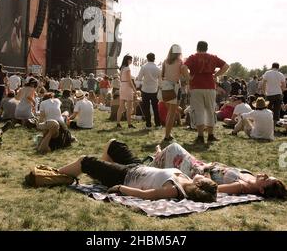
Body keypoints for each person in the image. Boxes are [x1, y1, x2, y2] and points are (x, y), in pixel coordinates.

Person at [57, 139, 218, 202]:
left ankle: (54, 175)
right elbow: (207, 179)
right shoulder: (189, 179)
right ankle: (102, 173)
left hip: (124, 176)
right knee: (115, 144)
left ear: (199, 186)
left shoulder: (174, 190)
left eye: (204, 178)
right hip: (138, 167)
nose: (203, 176)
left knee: (85, 161)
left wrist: (120, 188)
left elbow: (146, 195)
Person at [151, 142, 286, 199]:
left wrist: (205, 172)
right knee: (173, 150)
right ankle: (159, 156)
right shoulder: (251, 178)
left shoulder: (241, 186)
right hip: (202, 165)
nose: (264, 175)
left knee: (174, 148)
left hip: (196, 172)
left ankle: (156, 158)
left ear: (262, 190)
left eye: (266, 179)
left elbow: (213, 188)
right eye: (268, 175)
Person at [184, 41, 229, 144]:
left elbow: (183, 67)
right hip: (210, 86)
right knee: (210, 110)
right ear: (206, 48)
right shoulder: (212, 57)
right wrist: (216, 75)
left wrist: (188, 79)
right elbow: (226, 66)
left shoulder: (193, 57)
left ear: (197, 48)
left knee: (198, 111)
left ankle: (200, 136)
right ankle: (210, 135)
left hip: (196, 87)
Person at [160, 45, 188, 142]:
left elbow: (162, 76)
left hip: (165, 88)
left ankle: (168, 134)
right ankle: (167, 135)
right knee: (172, 113)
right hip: (174, 88)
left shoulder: (165, 62)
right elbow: (185, 75)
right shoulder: (180, 62)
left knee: (170, 113)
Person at [136, 53, 162, 130]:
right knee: (155, 108)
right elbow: (160, 81)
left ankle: (148, 125)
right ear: (154, 58)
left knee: (146, 108)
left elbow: (139, 78)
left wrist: (138, 86)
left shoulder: (144, 67)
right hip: (154, 90)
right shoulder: (158, 68)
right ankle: (158, 124)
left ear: (147, 58)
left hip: (145, 90)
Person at [116, 55, 137, 129]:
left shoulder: (122, 68)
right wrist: (135, 90)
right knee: (129, 107)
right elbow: (129, 81)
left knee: (121, 106)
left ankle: (118, 123)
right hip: (127, 87)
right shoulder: (127, 68)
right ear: (128, 60)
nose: (131, 61)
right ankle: (129, 124)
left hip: (122, 86)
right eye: (131, 60)